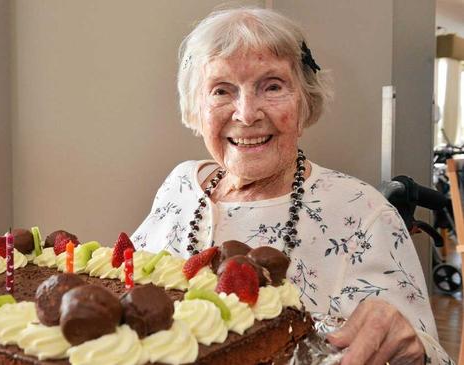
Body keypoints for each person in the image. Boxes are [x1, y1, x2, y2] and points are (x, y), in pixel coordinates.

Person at [131, 7, 452, 365]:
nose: (247, 113)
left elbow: (428, 355)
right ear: (195, 109)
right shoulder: (180, 185)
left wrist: (413, 350)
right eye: (222, 91)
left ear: (304, 103)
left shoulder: (364, 213)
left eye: (272, 86)